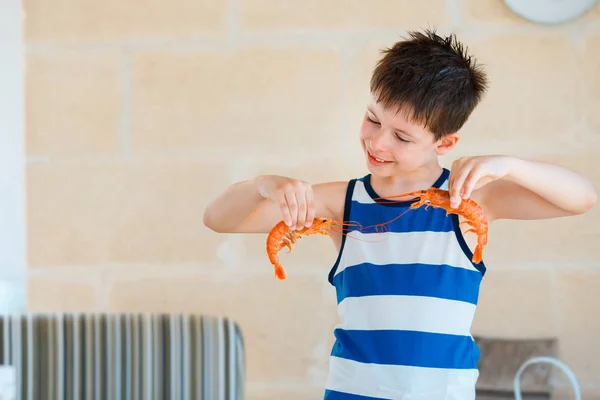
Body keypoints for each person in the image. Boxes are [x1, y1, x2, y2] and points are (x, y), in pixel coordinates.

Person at [202, 28, 597, 400]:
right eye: (373, 119)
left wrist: (513, 165)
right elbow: (218, 219)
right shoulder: (341, 201)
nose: (376, 141)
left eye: (402, 136)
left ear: (446, 142)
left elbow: (581, 198)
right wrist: (262, 184)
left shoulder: (469, 200)